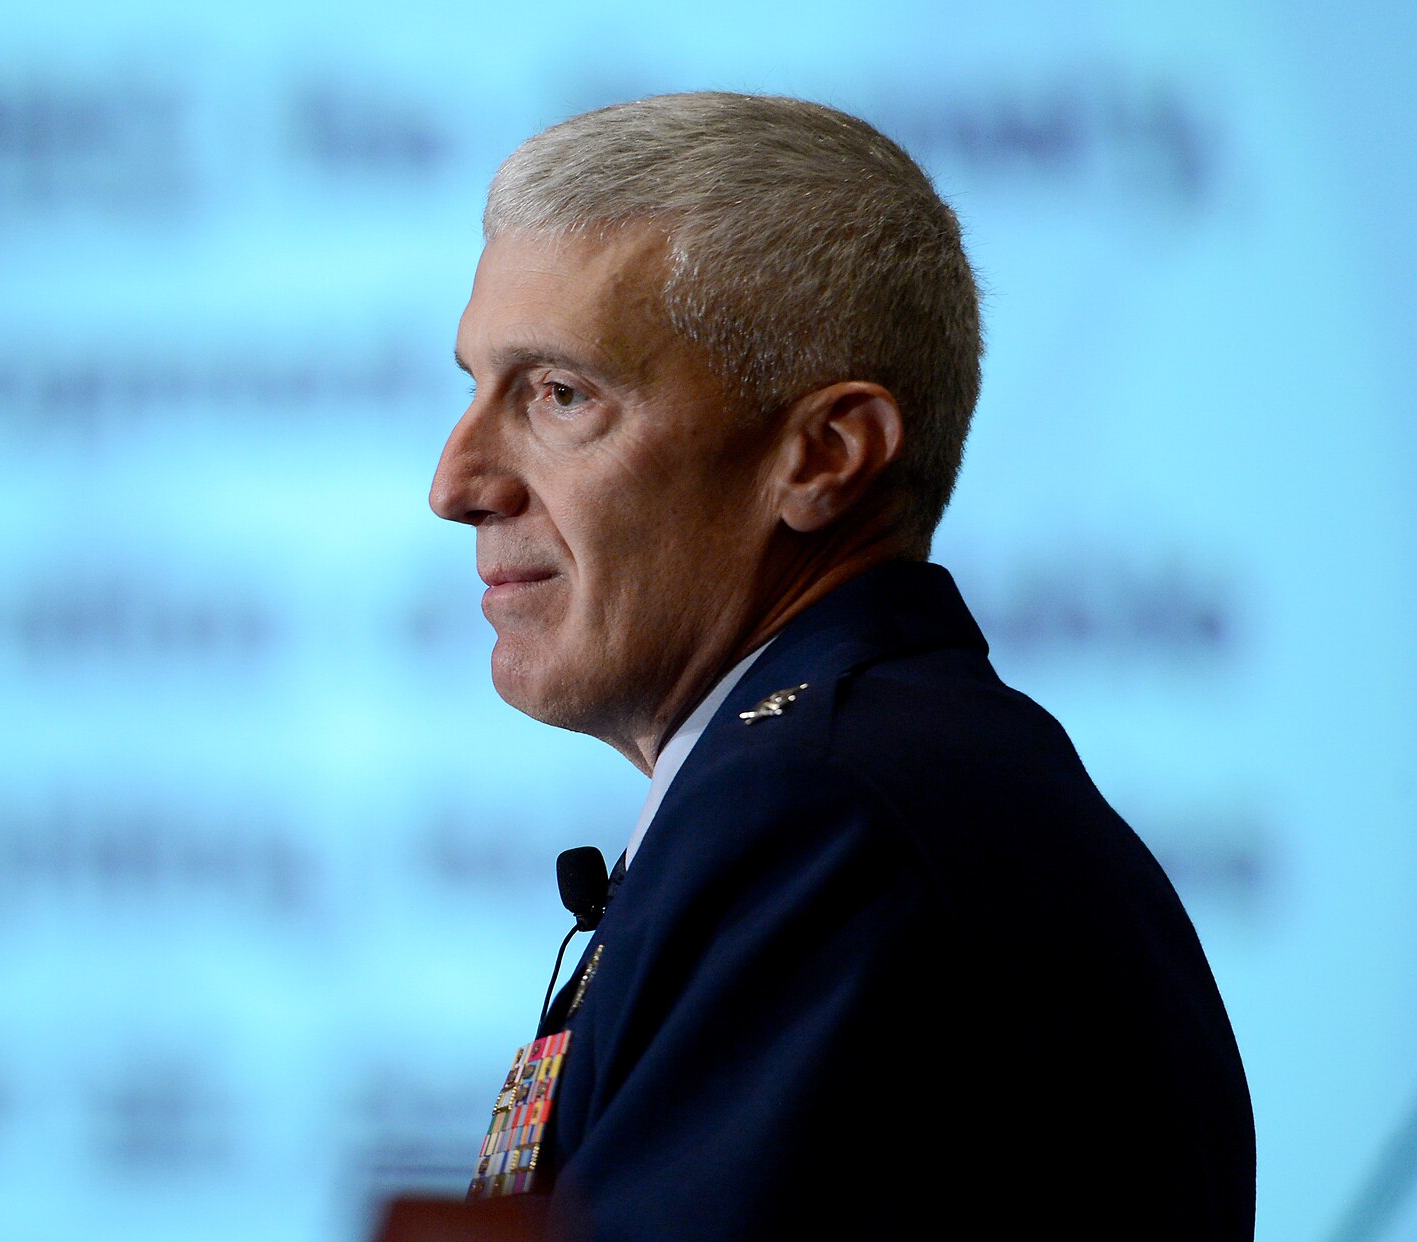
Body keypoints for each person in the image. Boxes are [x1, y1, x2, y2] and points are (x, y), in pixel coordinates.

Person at [426, 93, 1255, 1240]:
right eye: (471, 388)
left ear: (821, 455)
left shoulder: (821, 814)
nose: (456, 482)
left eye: (559, 395)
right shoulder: (880, 766)